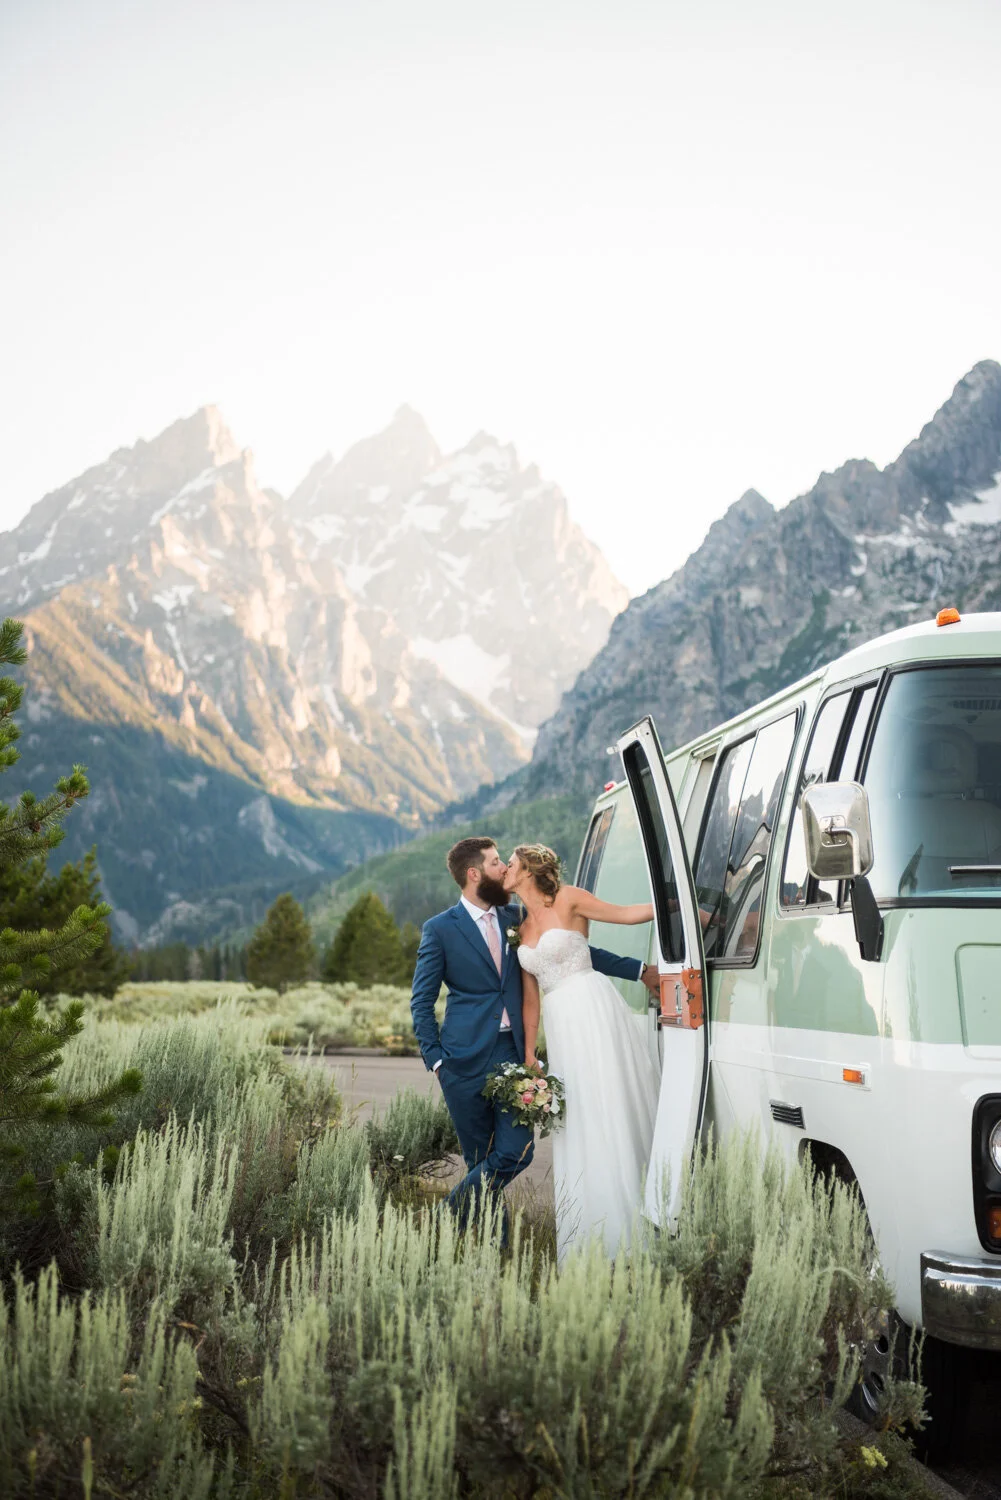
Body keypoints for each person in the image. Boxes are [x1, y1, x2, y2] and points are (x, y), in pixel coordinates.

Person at [410, 836, 658, 1247]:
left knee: (515, 1152)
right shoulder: (439, 930)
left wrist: (639, 969)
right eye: (494, 863)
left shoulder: (516, 919)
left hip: (511, 1054)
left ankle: (445, 1216)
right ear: (474, 874)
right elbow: (421, 1000)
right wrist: (436, 1059)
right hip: (461, 1061)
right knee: (481, 1161)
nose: (502, 868)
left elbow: (576, 950)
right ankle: (500, 1248)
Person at [504, 843, 660, 1263]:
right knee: (580, 1113)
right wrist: (530, 1053)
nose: (505, 868)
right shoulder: (519, 926)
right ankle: (594, 1226)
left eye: (511, 863)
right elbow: (530, 1001)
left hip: (591, 1008)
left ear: (528, 870)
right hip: (560, 1026)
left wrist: (675, 905)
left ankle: (637, 1217)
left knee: (607, 1100)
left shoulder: (569, 898)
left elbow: (625, 914)